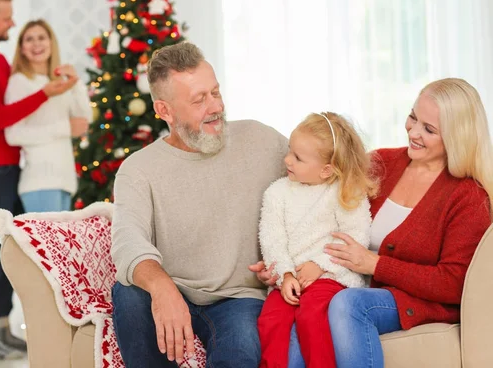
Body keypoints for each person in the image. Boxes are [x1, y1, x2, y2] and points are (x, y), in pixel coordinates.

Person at [253, 78, 493, 368]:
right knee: (292, 328)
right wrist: (282, 269)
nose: (413, 132)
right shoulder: (381, 163)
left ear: (457, 137)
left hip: (415, 301)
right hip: (354, 283)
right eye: (413, 117)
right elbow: (322, 216)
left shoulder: (468, 197)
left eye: (428, 129)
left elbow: (454, 283)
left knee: (348, 304)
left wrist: (374, 265)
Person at [110, 42, 288, 368]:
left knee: (242, 350)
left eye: (216, 92)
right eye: (199, 100)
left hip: (238, 297)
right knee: (128, 293)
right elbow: (127, 241)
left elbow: (314, 185)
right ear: (165, 111)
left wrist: (287, 258)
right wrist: (162, 287)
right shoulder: (139, 169)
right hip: (173, 287)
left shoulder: (262, 140)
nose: (215, 106)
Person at [0, 0, 77, 360]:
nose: (11, 23)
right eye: (7, 18)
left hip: (4, 169)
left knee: (2, 253)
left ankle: (0, 328)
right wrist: (46, 94)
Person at [257, 112, 377, 368]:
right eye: (290, 150)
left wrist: (320, 265)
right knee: (272, 319)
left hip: (332, 277)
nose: (287, 159)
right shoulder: (277, 193)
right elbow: (271, 238)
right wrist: (286, 274)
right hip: (290, 279)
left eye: (298, 158)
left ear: (326, 170)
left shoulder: (346, 192)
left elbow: (356, 237)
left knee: (313, 313)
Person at [4, 19, 92, 213]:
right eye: (29, 39)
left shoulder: (58, 83)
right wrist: (65, 128)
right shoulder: (20, 82)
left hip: (64, 181)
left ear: (51, 43)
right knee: (47, 244)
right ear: (22, 48)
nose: (36, 43)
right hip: (40, 182)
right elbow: (13, 135)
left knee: (60, 244)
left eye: (42, 37)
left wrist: (75, 83)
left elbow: (85, 119)